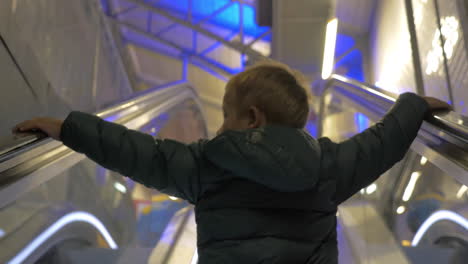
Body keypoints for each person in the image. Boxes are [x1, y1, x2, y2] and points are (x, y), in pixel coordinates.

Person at [14, 62, 451, 263]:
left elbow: (133, 151)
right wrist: (412, 108)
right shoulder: (328, 165)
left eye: (226, 114)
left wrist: (66, 128)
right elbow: (383, 143)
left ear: (251, 118)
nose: (220, 126)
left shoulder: (204, 164)